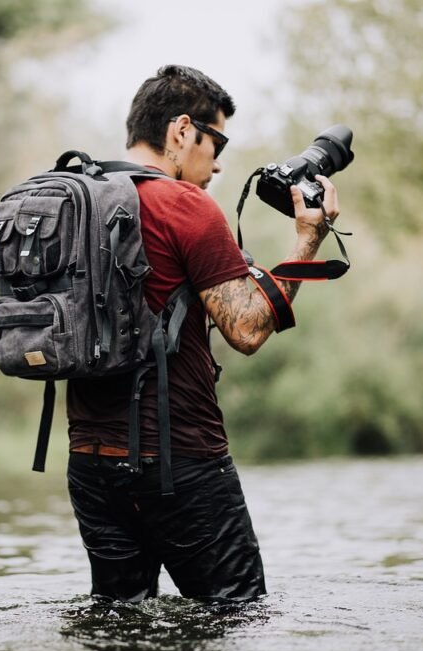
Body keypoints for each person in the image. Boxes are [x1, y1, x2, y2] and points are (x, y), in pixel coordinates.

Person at [65, 65, 340, 603]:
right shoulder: (186, 205)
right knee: (236, 614)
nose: (218, 161)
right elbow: (247, 329)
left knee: (120, 625)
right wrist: (308, 240)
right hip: (180, 462)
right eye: (217, 141)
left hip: (89, 462)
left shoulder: (84, 201)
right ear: (182, 130)